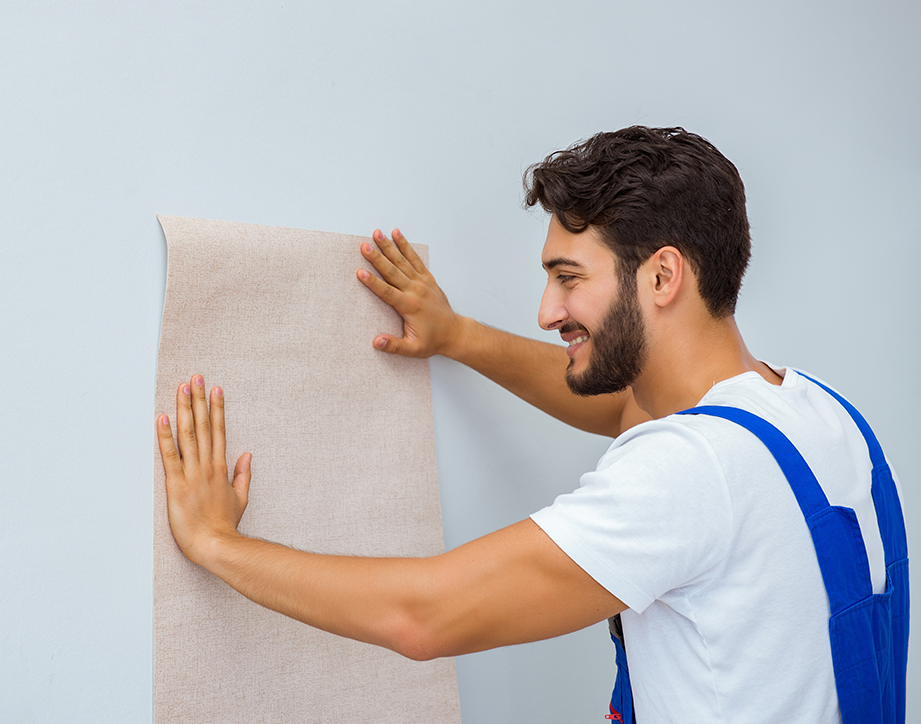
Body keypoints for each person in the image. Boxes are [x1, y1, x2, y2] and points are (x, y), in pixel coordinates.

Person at [156, 127, 907, 723]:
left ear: (663, 276)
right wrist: (456, 336)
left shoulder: (685, 472)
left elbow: (424, 614)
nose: (547, 311)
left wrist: (219, 545)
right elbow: (625, 403)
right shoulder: (819, 416)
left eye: (568, 278)